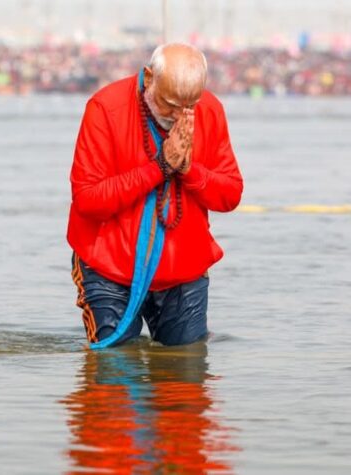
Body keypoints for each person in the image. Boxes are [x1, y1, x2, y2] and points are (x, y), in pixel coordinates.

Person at [67, 43, 243, 348]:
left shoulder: (210, 110)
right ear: (149, 77)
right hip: (109, 267)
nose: (179, 116)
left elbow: (230, 195)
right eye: (170, 104)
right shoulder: (105, 108)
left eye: (189, 106)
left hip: (183, 272)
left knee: (186, 383)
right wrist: (159, 168)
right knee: (113, 380)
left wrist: (189, 170)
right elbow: (89, 200)